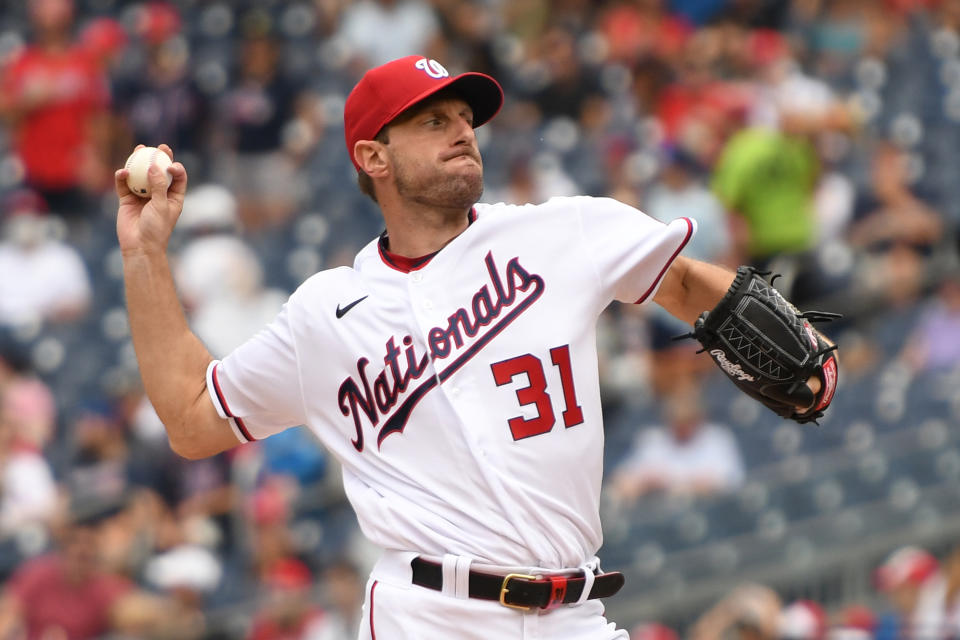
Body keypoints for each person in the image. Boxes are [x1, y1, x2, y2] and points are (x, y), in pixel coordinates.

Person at [114, 55, 833, 639]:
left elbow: (677, 281)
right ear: (374, 157)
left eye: (465, 117)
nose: (462, 131)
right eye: (433, 121)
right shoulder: (324, 315)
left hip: (573, 614)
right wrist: (145, 256)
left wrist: (789, 330)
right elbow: (189, 416)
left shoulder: (559, 232)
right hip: (427, 614)